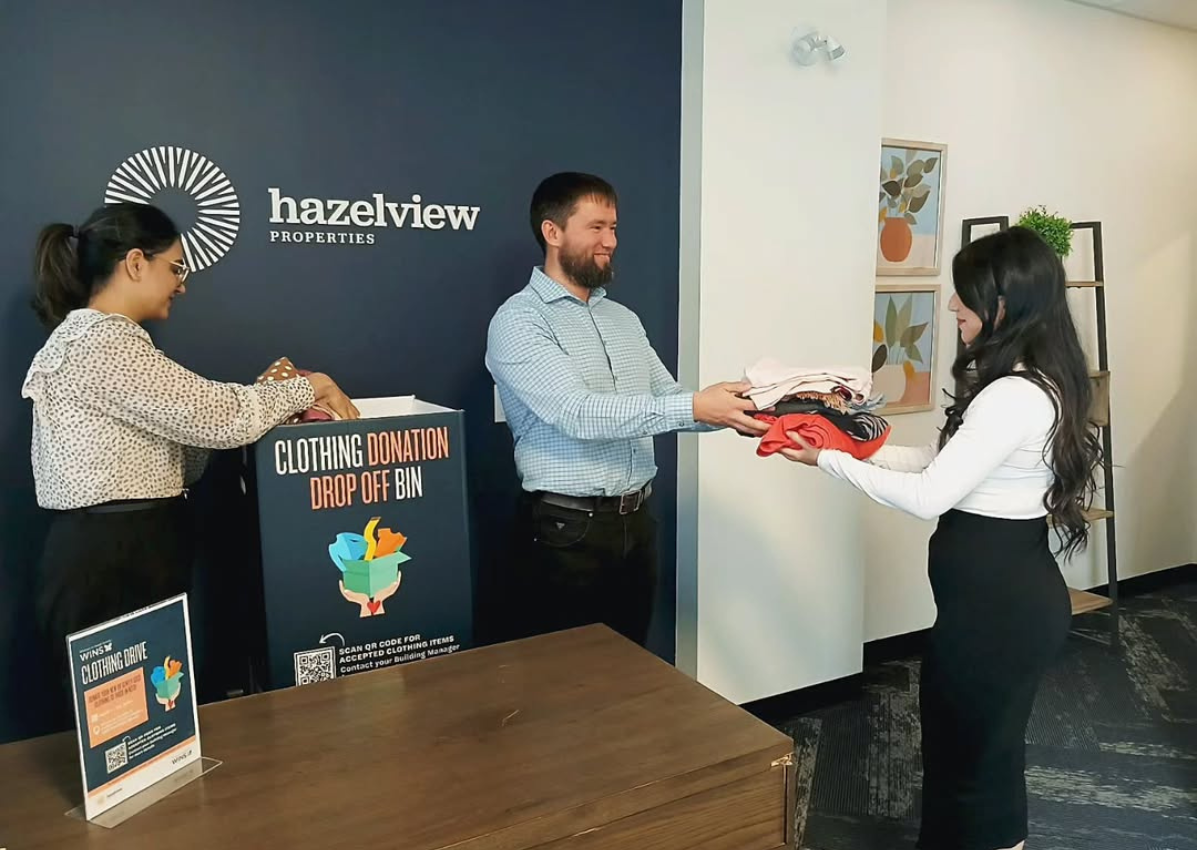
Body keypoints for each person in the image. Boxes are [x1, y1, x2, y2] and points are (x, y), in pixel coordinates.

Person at [778, 227, 1101, 850]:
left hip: (998, 612)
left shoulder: (1013, 395)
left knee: (972, 760)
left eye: (963, 296)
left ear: (1003, 304)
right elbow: (936, 458)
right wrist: (850, 444)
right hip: (999, 603)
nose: (952, 306)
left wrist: (827, 464)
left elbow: (931, 495)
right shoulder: (1026, 382)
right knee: (977, 756)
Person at [22, 202, 358, 722]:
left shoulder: (89, 340)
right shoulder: (104, 343)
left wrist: (262, 402)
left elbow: (194, 445)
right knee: (123, 729)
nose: (182, 285)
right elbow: (222, 419)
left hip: (121, 550)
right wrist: (305, 388)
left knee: (144, 727)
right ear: (136, 263)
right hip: (113, 560)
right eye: (175, 268)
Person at [485, 171, 767, 647]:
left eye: (613, 228)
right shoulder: (518, 321)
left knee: (631, 672)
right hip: (564, 535)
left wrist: (745, 408)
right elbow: (578, 413)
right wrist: (698, 405)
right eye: (596, 227)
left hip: (636, 525)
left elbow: (667, 399)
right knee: (565, 682)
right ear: (552, 233)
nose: (610, 241)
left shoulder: (623, 318)